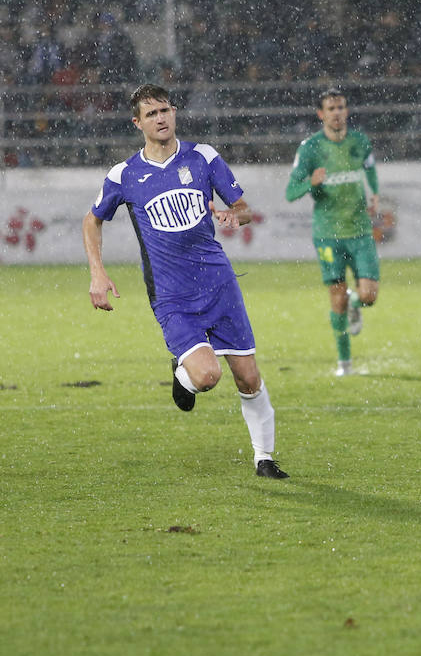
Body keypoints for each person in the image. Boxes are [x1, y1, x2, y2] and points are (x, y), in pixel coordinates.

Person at [82, 83, 288, 480]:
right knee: (208, 376)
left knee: (248, 376)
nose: (161, 118)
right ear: (137, 122)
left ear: (175, 113)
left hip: (219, 283)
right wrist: (97, 271)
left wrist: (234, 217)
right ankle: (185, 375)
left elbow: (243, 208)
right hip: (172, 293)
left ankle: (264, 458)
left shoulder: (203, 156)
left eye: (166, 110)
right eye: (152, 113)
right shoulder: (125, 174)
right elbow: (92, 220)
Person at [285, 89, 381, 377]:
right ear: (321, 114)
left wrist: (375, 193)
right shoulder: (311, 149)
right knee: (335, 298)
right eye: (331, 108)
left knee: (369, 295)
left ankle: (356, 303)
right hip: (328, 234)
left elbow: (370, 169)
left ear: (347, 110)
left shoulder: (360, 141)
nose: (337, 112)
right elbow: (291, 192)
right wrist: (310, 183)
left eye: (341, 107)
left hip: (360, 231)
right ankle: (345, 363)